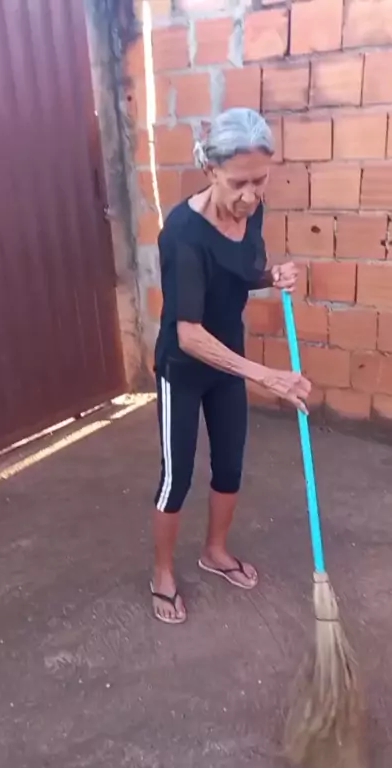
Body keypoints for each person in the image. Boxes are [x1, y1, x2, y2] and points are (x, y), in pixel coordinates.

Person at [151, 107, 311, 625]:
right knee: (177, 477)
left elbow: (240, 272)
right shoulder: (183, 234)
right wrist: (265, 375)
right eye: (238, 182)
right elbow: (189, 333)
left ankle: (215, 552)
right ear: (210, 170)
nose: (250, 195)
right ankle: (162, 573)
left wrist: (272, 276)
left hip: (228, 366)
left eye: (259, 181)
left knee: (230, 465)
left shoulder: (252, 210)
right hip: (184, 368)